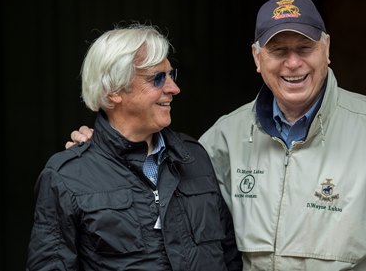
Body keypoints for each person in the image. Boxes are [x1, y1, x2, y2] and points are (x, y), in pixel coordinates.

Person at [66, 0, 366, 270]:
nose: (293, 64)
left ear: (327, 49)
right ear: (257, 59)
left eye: (305, 48)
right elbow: (154, 194)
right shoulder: (223, 140)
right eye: (278, 51)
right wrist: (102, 152)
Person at [27, 23, 242, 271]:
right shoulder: (66, 177)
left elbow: (229, 257)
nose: (173, 88)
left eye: (172, 75)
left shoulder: (193, 156)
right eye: (158, 78)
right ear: (113, 92)